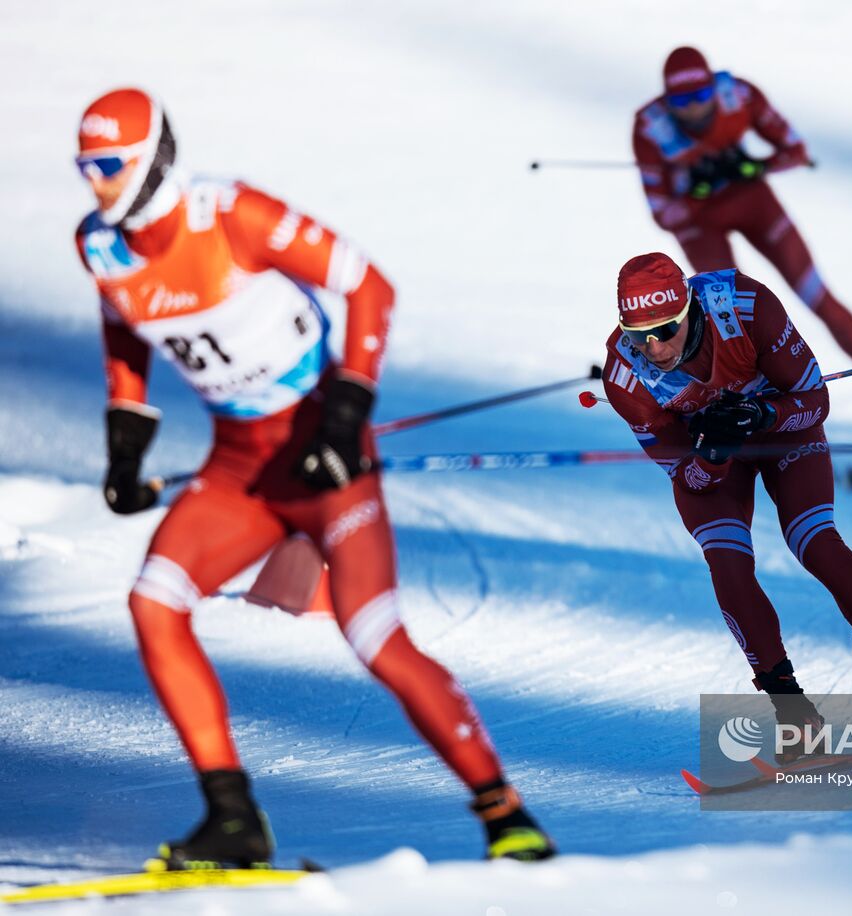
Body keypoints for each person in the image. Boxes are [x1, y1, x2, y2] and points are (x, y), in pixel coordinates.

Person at [73, 88, 554, 865]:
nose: (94, 184)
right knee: (154, 602)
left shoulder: (232, 216)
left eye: (108, 166)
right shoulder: (99, 245)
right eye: (84, 168)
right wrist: (125, 442)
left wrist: (345, 414)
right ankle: (233, 817)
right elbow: (122, 326)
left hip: (322, 453)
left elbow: (371, 286)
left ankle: (507, 816)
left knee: (374, 635)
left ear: (152, 159)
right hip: (239, 466)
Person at [602, 252, 852, 758]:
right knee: (727, 562)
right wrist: (714, 455)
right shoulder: (624, 376)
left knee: (817, 544)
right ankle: (794, 713)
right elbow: (689, 478)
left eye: (666, 329)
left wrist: (761, 414)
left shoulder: (744, 306)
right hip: (716, 457)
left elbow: (814, 401)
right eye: (638, 336)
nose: (653, 348)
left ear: (690, 310)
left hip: (782, 431)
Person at [632, 46, 852, 437]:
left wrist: (753, 165)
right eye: (681, 101)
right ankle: (747, 410)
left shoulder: (739, 96)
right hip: (701, 223)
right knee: (726, 320)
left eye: (700, 97)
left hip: (754, 203)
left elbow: (795, 151)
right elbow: (663, 212)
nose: (692, 110)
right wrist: (692, 185)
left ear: (714, 88)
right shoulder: (649, 125)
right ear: (665, 101)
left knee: (816, 295)